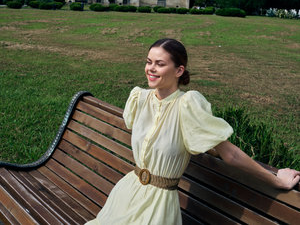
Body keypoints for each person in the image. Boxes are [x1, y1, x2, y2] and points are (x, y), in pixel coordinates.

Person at [86, 38, 300, 225]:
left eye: (160, 64)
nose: (151, 68)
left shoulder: (187, 105)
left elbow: (230, 154)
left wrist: (277, 180)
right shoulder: (139, 98)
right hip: (127, 194)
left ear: (179, 71)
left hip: (158, 204)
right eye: (148, 62)